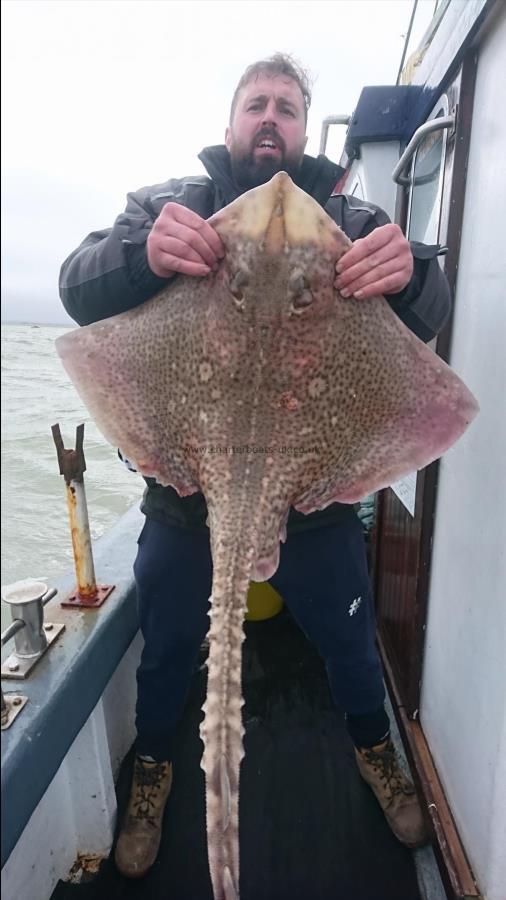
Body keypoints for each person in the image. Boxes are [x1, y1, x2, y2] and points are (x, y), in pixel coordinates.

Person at [59, 54, 451, 879]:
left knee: (350, 644)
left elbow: (430, 316)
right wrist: (143, 254)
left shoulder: (354, 213)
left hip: (314, 502)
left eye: (287, 107)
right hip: (182, 491)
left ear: (305, 131)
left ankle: (376, 748)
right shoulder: (168, 206)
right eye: (256, 104)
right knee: (167, 647)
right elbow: (76, 288)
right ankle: (155, 772)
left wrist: (412, 276)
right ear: (231, 123)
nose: (270, 118)